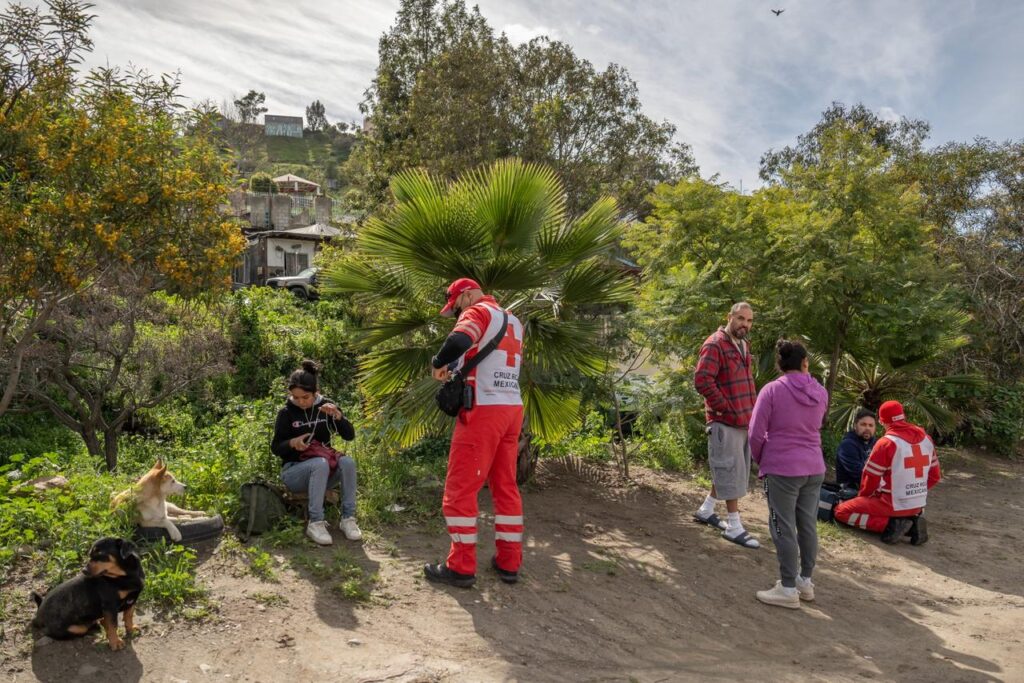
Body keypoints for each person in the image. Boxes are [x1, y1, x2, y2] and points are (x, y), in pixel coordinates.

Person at [424, 278, 525, 588]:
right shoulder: (513, 320)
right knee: (505, 486)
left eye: (455, 307)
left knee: (459, 489)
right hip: (512, 410)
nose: (457, 314)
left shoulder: (477, 312)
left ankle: (461, 566)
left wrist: (438, 363)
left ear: (466, 295)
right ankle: (509, 561)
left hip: (483, 410)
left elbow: (458, 342)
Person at [748, 340, 829, 609]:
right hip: (814, 466)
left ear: (780, 364)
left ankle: (787, 588)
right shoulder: (820, 391)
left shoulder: (772, 390)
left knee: (782, 526)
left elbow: (755, 434)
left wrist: (763, 460)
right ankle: (805, 581)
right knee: (807, 525)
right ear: (805, 362)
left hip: (782, 467)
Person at [271, 360, 362, 546]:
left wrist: (338, 416)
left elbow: (349, 436)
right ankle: (316, 522)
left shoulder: (326, 407)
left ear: (315, 393)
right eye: (295, 397)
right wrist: (291, 443)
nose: (300, 402)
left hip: (323, 472)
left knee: (348, 463)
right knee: (319, 463)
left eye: (305, 397)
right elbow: (276, 448)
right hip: (294, 472)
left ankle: (348, 519)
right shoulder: (286, 413)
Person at [693, 302, 760, 549]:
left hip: (744, 420)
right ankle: (734, 526)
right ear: (729, 317)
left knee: (732, 468)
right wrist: (724, 407)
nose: (745, 324)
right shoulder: (715, 344)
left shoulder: (744, 345)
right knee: (731, 469)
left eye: (749, 320)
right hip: (725, 421)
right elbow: (702, 380)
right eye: (741, 318)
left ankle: (706, 510)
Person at [834, 400, 941, 545]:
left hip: (890, 503)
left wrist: (863, 497)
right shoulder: (926, 439)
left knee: (841, 511)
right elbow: (935, 476)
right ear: (903, 416)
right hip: (918, 505)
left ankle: (892, 525)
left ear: (882, 421)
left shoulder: (887, 443)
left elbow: (870, 478)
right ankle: (911, 521)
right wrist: (916, 492)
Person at [836, 409, 878, 489]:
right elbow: (860, 475)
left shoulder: (875, 443)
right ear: (855, 425)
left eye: (871, 425)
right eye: (863, 424)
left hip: (870, 488)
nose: (867, 428)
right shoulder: (847, 445)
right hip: (850, 490)